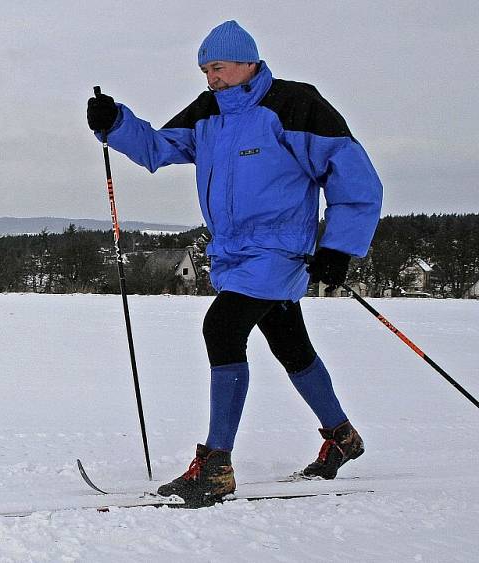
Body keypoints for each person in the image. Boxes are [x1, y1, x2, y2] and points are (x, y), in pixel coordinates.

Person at [86, 20, 382, 508]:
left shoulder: (294, 105)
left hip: (279, 250)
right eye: (205, 70)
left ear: (248, 62)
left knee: (222, 327)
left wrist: (339, 247)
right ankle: (343, 437)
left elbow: (353, 175)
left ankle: (216, 466)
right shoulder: (209, 113)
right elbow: (159, 148)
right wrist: (115, 122)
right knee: (291, 345)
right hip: (233, 252)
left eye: (218, 68)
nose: (211, 79)